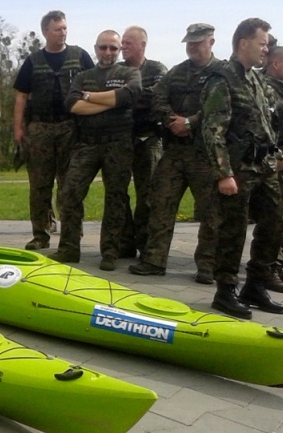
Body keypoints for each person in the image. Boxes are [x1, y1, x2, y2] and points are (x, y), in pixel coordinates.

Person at [200, 18, 283, 319]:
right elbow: (213, 130)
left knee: (276, 221)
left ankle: (255, 284)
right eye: (262, 43)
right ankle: (225, 290)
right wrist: (224, 173)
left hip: (263, 166)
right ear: (243, 43)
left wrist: (276, 154)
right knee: (233, 230)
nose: (266, 49)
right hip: (237, 169)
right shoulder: (221, 79)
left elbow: (266, 123)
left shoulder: (256, 79)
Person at [129, 23, 221, 284]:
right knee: (160, 204)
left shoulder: (222, 72)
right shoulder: (177, 72)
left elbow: (224, 107)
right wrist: (173, 121)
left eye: (198, 42)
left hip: (205, 153)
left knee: (211, 212)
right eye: (189, 42)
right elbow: (158, 99)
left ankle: (207, 265)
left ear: (211, 42)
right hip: (175, 151)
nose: (192, 46)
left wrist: (190, 122)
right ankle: (154, 260)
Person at [49, 30, 141, 271]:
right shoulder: (83, 76)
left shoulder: (129, 73)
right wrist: (110, 102)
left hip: (118, 143)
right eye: (103, 47)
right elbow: (72, 105)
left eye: (113, 48)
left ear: (119, 49)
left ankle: (110, 251)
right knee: (70, 192)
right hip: (87, 143)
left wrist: (90, 98)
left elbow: (130, 95)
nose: (108, 52)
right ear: (96, 48)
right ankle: (68, 248)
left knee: (116, 198)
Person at [13, 11, 95, 250]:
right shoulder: (33, 61)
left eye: (65, 28)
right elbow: (21, 96)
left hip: (71, 127)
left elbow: (94, 86)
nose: (63, 32)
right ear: (46, 32)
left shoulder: (79, 56)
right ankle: (40, 234)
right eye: (58, 29)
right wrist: (18, 128)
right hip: (39, 129)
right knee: (39, 185)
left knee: (70, 184)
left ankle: (72, 232)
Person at [119, 26, 168, 258]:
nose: (123, 47)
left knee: (148, 194)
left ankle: (146, 243)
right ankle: (125, 241)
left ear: (142, 45)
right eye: (123, 43)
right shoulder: (117, 71)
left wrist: (123, 97)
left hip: (148, 138)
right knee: (118, 192)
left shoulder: (157, 69)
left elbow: (155, 96)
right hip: (121, 138)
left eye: (129, 42)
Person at [262, 46, 283, 289]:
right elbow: (265, 126)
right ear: (276, 64)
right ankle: (266, 267)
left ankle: (276, 263)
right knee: (275, 215)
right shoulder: (267, 90)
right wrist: (277, 154)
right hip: (275, 159)